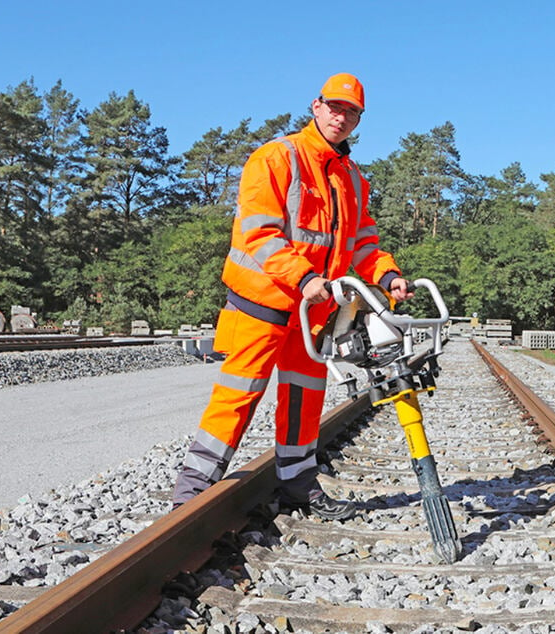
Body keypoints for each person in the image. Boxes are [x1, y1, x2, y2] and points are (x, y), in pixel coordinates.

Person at [171, 72, 412, 520]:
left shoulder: (354, 179)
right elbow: (259, 234)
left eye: (351, 111)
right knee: (239, 392)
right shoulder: (276, 157)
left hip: (314, 312)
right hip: (263, 303)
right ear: (316, 106)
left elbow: (363, 242)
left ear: (359, 119)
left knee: (304, 396)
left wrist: (389, 274)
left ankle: (298, 487)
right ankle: (191, 495)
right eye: (335, 107)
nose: (341, 117)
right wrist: (303, 278)